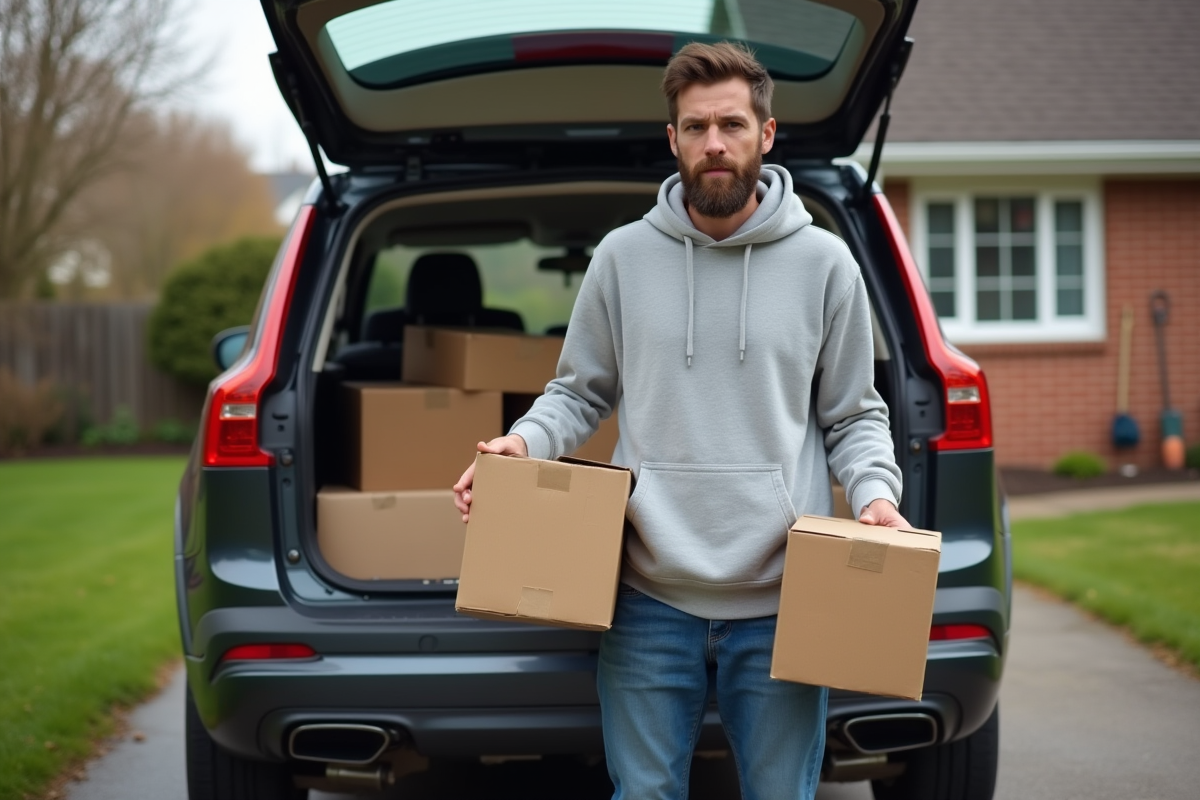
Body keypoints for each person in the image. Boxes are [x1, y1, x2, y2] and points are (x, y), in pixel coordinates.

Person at [453, 41, 907, 800]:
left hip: (781, 597)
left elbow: (854, 415)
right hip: (648, 598)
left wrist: (875, 500)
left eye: (732, 124)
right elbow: (579, 393)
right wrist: (520, 443)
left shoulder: (825, 265)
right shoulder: (623, 258)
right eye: (695, 128)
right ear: (673, 140)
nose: (714, 144)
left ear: (767, 133)